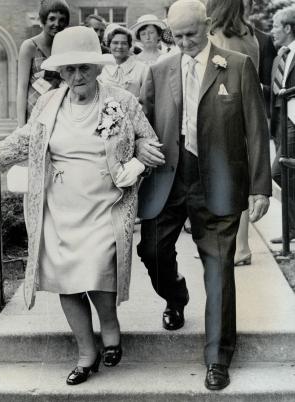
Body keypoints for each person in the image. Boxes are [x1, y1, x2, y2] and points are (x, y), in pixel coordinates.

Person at [0, 26, 159, 386]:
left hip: (106, 205)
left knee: (100, 272)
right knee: (68, 283)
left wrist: (140, 162)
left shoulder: (122, 101)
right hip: (59, 207)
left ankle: (111, 329)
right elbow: (22, 142)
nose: (76, 76)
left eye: (83, 68)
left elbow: (148, 142)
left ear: (97, 66)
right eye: (68, 69)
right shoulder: (48, 102)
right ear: (60, 71)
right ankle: (87, 353)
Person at [136, 0, 271, 391]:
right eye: (175, 36)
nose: (183, 43)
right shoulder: (159, 70)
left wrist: (260, 187)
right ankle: (175, 296)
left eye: (190, 35)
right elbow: (143, 124)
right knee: (153, 251)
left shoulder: (237, 65)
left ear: (208, 24)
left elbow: (257, 130)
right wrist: (141, 149)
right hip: (168, 179)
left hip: (220, 180)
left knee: (218, 268)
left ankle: (217, 358)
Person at [206, 0, 260, 266]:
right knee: (239, 178)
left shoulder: (218, 35)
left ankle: (233, 247)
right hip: (247, 106)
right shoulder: (249, 33)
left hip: (223, 110)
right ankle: (241, 246)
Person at [16, 0, 70, 126]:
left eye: (62, 20)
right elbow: (22, 88)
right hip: (35, 113)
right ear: (43, 20)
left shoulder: (66, 47)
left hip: (60, 113)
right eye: (52, 19)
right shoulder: (29, 46)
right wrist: (21, 125)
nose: (57, 24)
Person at [270, 6, 295, 243]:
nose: (272, 31)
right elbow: (279, 91)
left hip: (293, 123)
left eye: (276, 26)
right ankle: (293, 228)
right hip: (280, 122)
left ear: (288, 27)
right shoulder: (281, 55)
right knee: (285, 173)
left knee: (278, 171)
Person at [243, 0, 277, 117]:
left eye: (244, 5)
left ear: (251, 7)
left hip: (253, 111)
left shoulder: (263, 40)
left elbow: (270, 85)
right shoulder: (213, 36)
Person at [99, 26, 148, 98]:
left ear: (129, 46)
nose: (119, 46)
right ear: (109, 45)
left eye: (124, 43)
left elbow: (146, 96)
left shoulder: (142, 68)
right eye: (115, 43)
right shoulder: (101, 67)